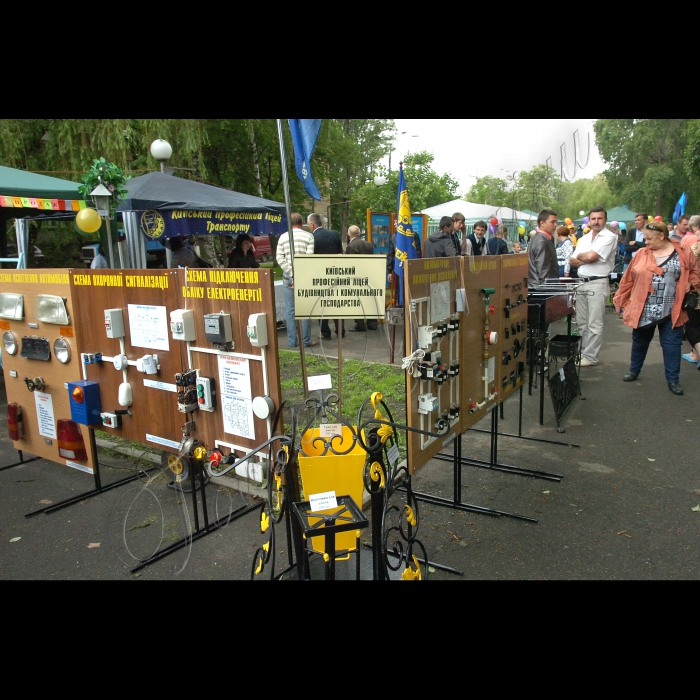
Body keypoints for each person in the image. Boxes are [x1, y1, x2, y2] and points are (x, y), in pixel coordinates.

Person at [613, 220, 700, 395]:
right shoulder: (641, 254)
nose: (646, 242)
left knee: (672, 345)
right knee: (640, 342)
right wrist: (621, 300)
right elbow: (628, 278)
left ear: (662, 236)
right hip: (643, 308)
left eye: (650, 239)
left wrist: (692, 285)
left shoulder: (681, 252)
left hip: (672, 308)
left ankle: (673, 380)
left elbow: (694, 271)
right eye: (645, 238)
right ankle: (634, 370)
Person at [568, 207, 619, 366]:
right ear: (589, 220)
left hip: (598, 282)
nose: (596, 221)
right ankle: (584, 353)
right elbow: (572, 260)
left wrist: (586, 257)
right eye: (593, 218)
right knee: (582, 321)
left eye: (600, 218)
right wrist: (588, 258)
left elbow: (591, 256)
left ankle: (591, 357)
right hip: (582, 282)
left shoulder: (609, 237)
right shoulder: (584, 238)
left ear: (605, 220)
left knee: (594, 322)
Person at [276, 212, 316, 348]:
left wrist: (292, 273)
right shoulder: (309, 236)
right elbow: (308, 259)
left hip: (287, 276)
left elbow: (279, 258)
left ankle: (292, 341)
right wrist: (299, 275)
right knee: (305, 310)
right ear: (302, 222)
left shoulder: (282, 237)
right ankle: (306, 341)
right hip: (304, 275)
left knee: (290, 310)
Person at [307, 212, 344, 340]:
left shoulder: (312, 238)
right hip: (335, 274)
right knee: (337, 303)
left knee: (321, 305)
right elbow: (340, 254)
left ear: (312, 224)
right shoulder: (334, 234)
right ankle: (340, 330)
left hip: (320, 276)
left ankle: (325, 332)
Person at [345, 224, 378, 332]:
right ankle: (372, 323)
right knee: (369, 299)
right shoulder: (368, 244)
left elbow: (350, 265)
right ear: (359, 233)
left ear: (348, 235)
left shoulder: (351, 246)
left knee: (357, 301)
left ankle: (360, 325)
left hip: (356, 278)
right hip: (369, 276)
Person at [527, 209, 559, 288]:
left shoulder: (538, 238)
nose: (555, 224)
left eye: (556, 222)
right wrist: (549, 289)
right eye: (552, 222)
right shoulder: (542, 241)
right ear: (542, 223)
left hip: (538, 286)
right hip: (542, 289)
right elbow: (543, 270)